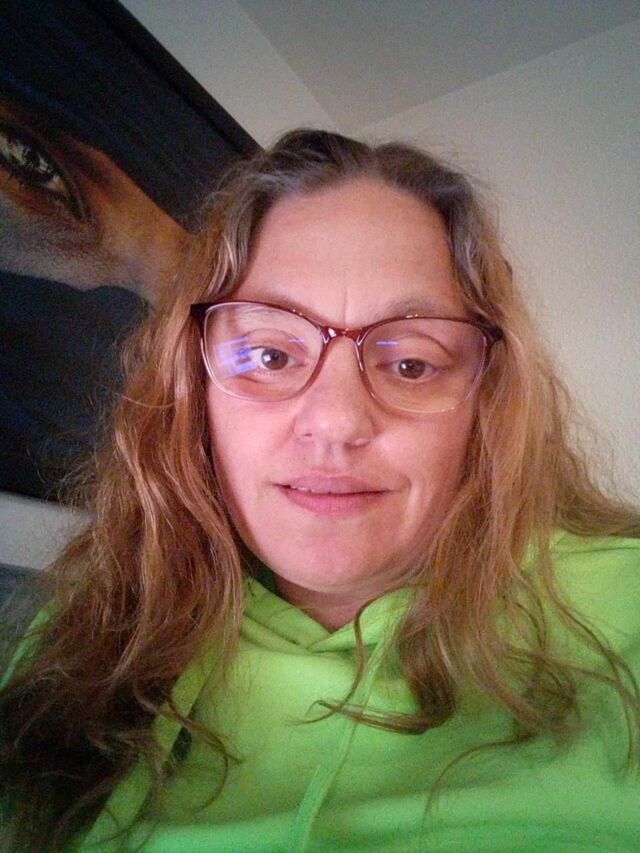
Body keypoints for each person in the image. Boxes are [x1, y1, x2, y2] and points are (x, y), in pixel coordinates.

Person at [1, 129, 639, 853]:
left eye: (411, 364)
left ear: (485, 403)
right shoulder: (83, 644)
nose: (336, 422)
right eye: (270, 354)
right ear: (193, 392)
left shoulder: (626, 614)